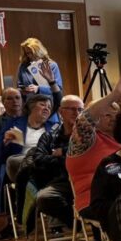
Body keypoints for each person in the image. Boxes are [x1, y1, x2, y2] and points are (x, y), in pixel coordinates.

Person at [66, 73, 121, 215]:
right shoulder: (84, 141)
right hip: (96, 200)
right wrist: (115, 95)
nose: (113, 119)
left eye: (115, 115)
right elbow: (84, 120)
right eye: (107, 115)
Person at [30, 95, 85, 228]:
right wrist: (66, 159)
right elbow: (38, 160)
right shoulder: (49, 136)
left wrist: (63, 152)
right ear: (61, 112)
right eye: (71, 109)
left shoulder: (88, 134)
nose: (76, 113)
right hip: (60, 180)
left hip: (84, 179)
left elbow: (84, 157)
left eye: (80, 109)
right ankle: (76, 224)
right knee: (44, 198)